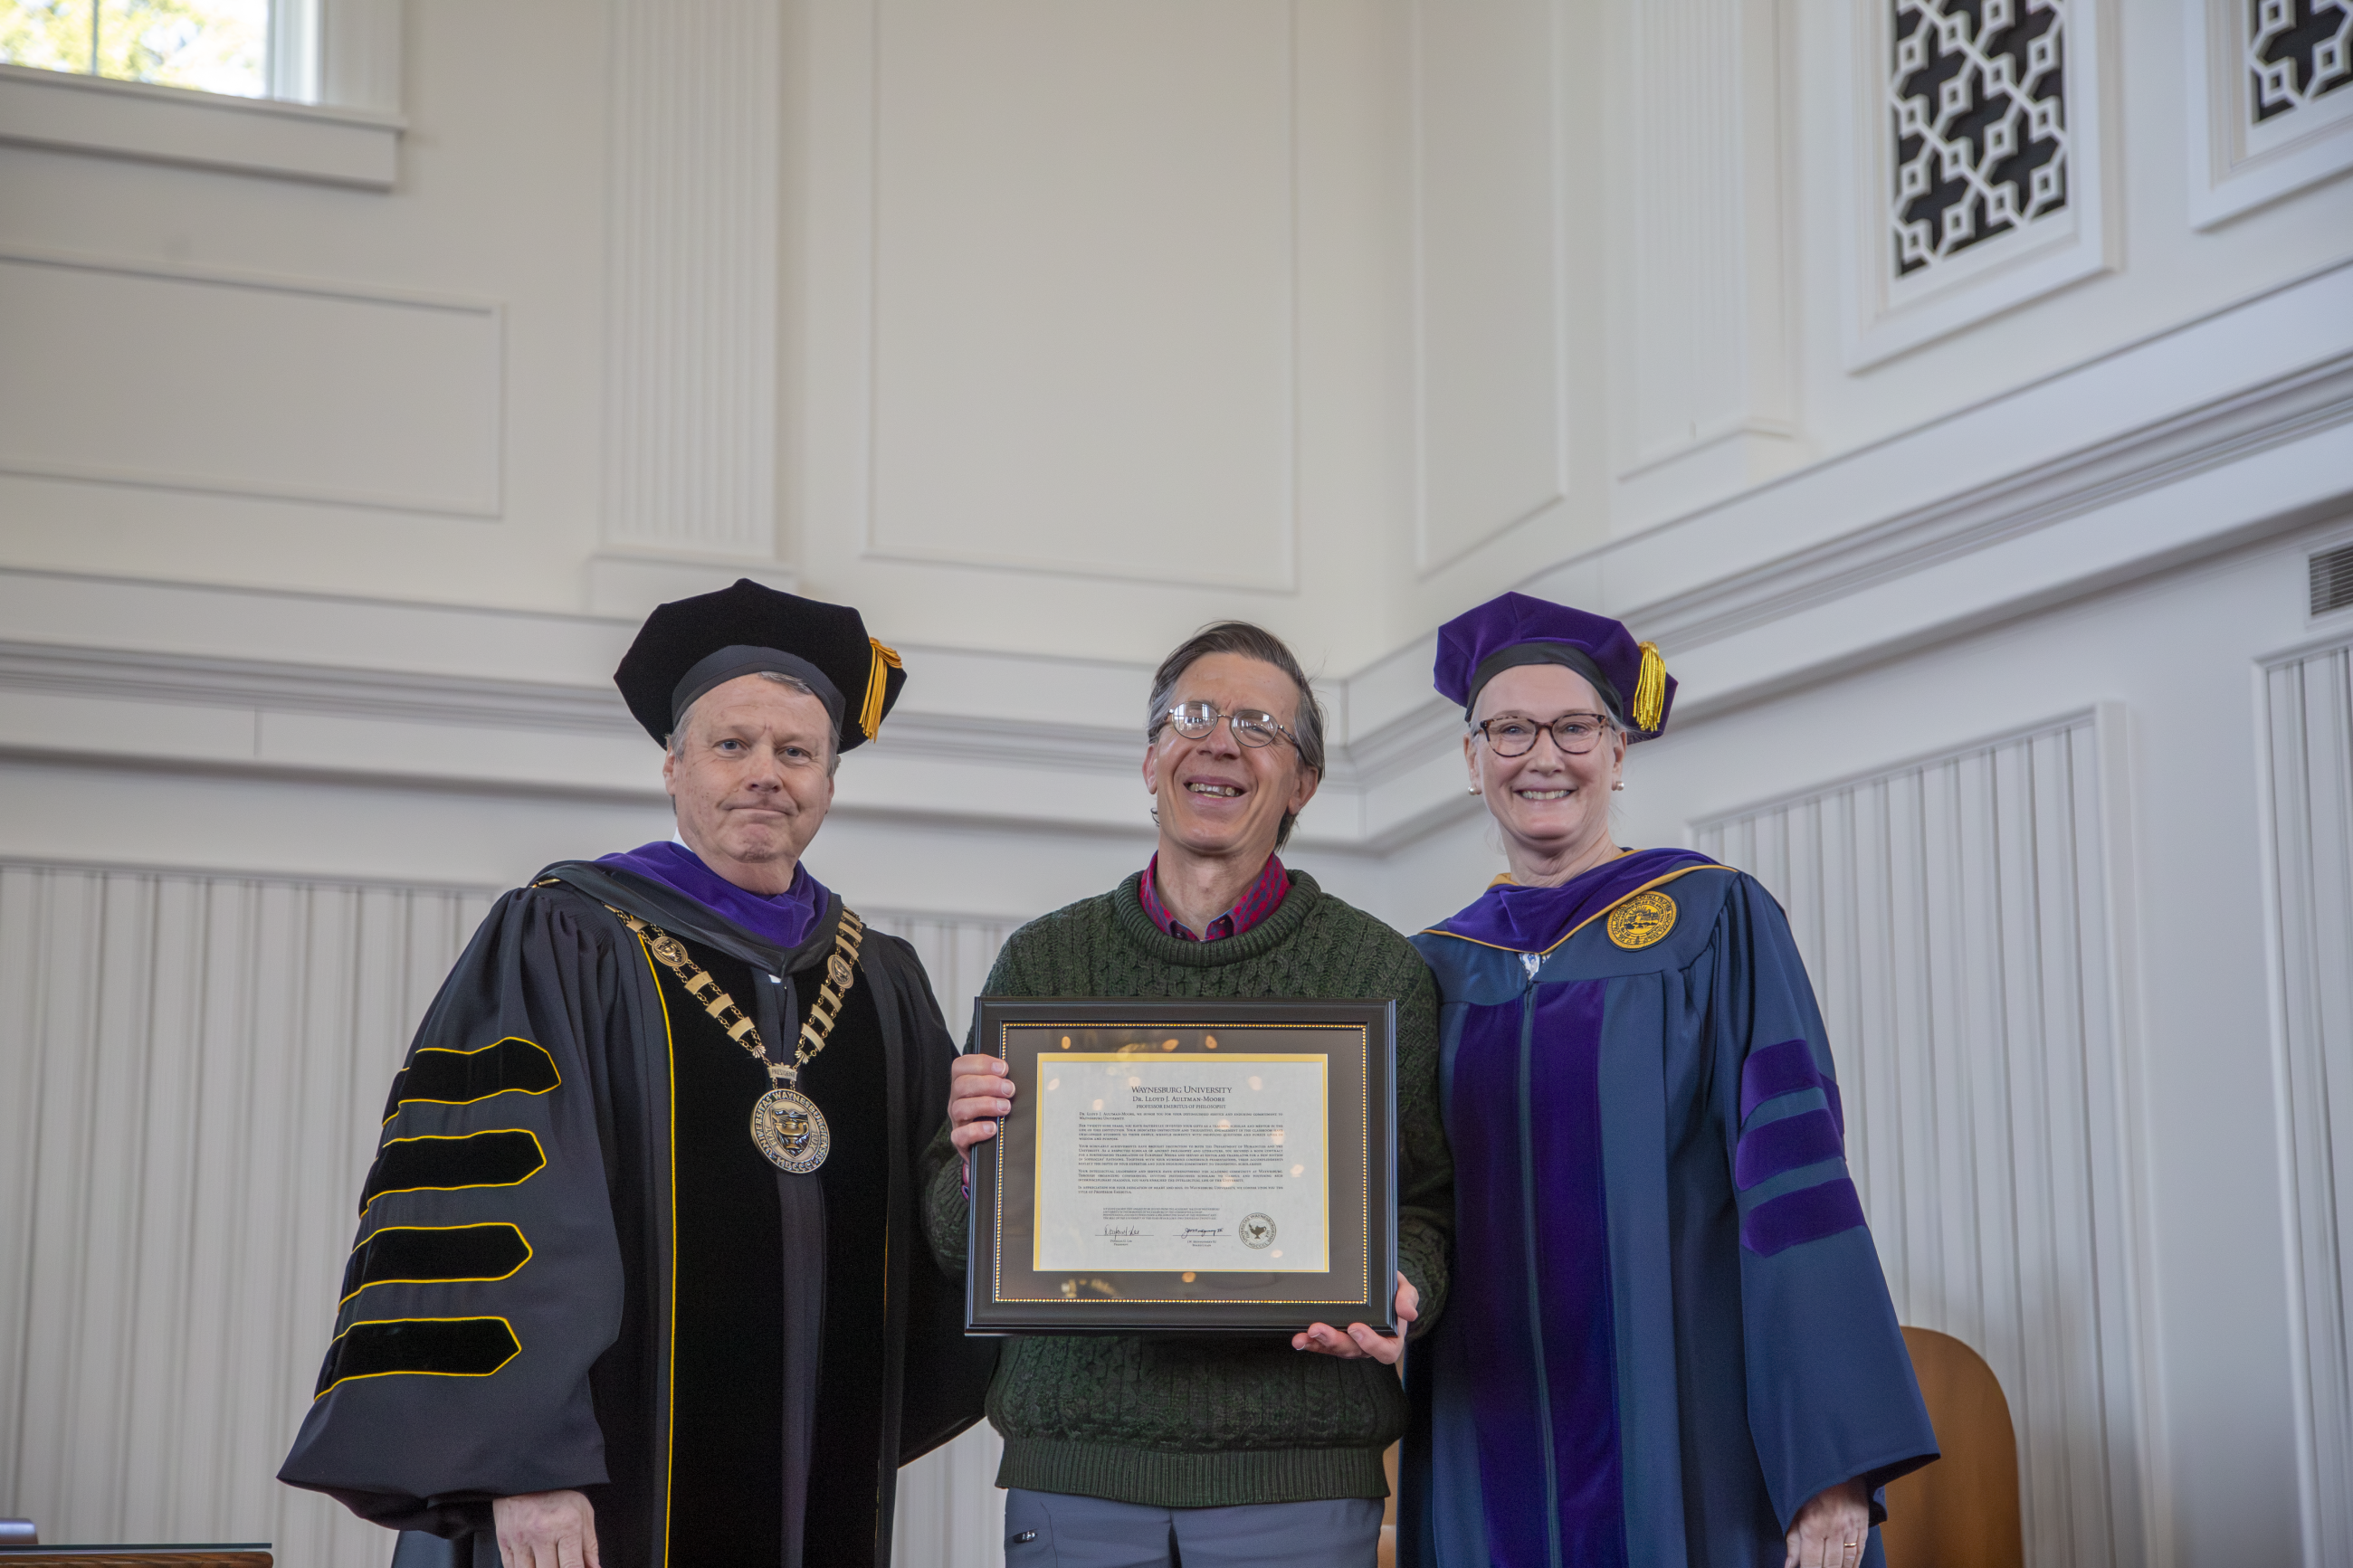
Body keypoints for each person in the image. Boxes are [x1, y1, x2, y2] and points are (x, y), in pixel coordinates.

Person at [279, 581, 994, 1568]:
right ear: (673, 765)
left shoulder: (880, 978)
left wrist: (986, 1158)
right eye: (730, 744)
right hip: (591, 1490)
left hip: (812, 1477)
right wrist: (526, 1465)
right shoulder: (566, 934)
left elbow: (935, 1224)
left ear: (829, 779)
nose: (764, 775)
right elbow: (499, 1215)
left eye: (796, 751)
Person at [1398, 593, 1938, 1568]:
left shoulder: (1712, 922)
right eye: (1509, 728)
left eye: (1573, 725)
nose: (1542, 755)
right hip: (1484, 1426)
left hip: (1685, 1420)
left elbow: (1796, 1185)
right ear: (1471, 759)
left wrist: (1827, 1457)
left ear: (1616, 749)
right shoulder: (1426, 969)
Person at [922, 622, 1453, 1568]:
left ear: (1301, 784)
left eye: (1258, 724)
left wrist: (1401, 1283)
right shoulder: (1043, 961)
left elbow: (1422, 1206)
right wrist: (974, 1168)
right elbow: (953, 1239)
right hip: (1076, 1467)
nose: (1218, 740)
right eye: (1191, 715)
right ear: (1150, 756)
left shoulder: (1378, 970)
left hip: (1295, 1471)